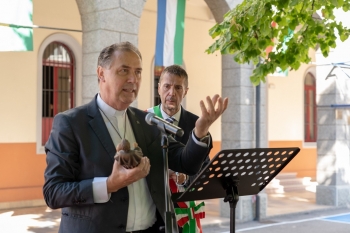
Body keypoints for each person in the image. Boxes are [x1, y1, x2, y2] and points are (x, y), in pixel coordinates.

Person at [43, 41, 228, 233]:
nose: (133, 79)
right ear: (101, 73)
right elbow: (54, 192)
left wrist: (200, 130)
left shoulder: (147, 121)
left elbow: (186, 162)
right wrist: (108, 185)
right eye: (124, 70)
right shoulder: (70, 123)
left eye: (138, 72)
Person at [147, 65, 211, 232]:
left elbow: (204, 167)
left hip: (184, 213)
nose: (171, 93)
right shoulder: (144, 120)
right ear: (159, 87)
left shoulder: (198, 124)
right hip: (151, 211)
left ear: (186, 91)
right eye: (167, 86)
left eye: (178, 87)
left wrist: (185, 177)